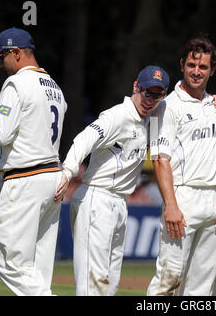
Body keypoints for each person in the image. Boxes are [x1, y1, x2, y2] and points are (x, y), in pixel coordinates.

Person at [0, 27, 67, 295]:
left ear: (17, 53)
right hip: (51, 177)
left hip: (25, 179)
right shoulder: (54, 86)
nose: (0, 64)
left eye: (2, 57)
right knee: (38, 265)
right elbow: (31, 126)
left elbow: (1, 135)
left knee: (9, 262)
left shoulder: (15, 83)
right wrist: (0, 114)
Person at [54, 65, 170, 296]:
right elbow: (85, 137)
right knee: (93, 281)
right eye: (147, 92)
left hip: (119, 202)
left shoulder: (152, 119)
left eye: (157, 95)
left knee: (110, 280)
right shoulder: (117, 115)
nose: (150, 99)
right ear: (136, 87)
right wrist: (67, 171)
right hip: (96, 197)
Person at [147, 37, 216, 296]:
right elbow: (159, 159)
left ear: (213, 70)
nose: (196, 72)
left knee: (201, 287)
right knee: (169, 279)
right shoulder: (165, 106)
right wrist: (172, 205)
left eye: (203, 67)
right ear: (182, 65)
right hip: (183, 199)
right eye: (191, 65)